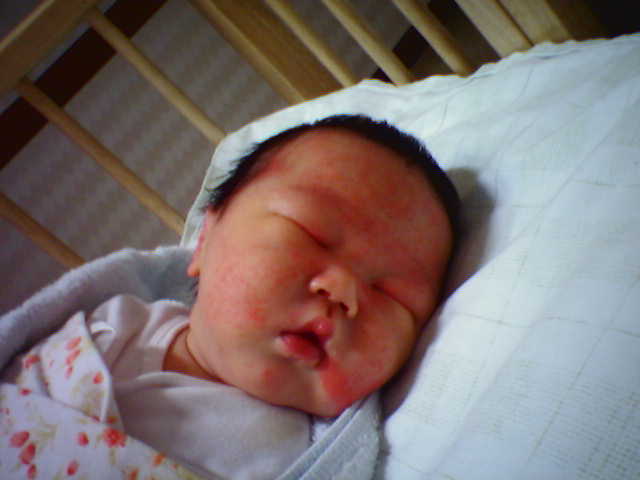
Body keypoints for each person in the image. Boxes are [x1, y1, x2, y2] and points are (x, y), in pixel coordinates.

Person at [2, 114, 459, 479]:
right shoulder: (109, 324)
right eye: (310, 232)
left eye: (391, 295)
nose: (344, 292)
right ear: (204, 240)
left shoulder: (305, 455)